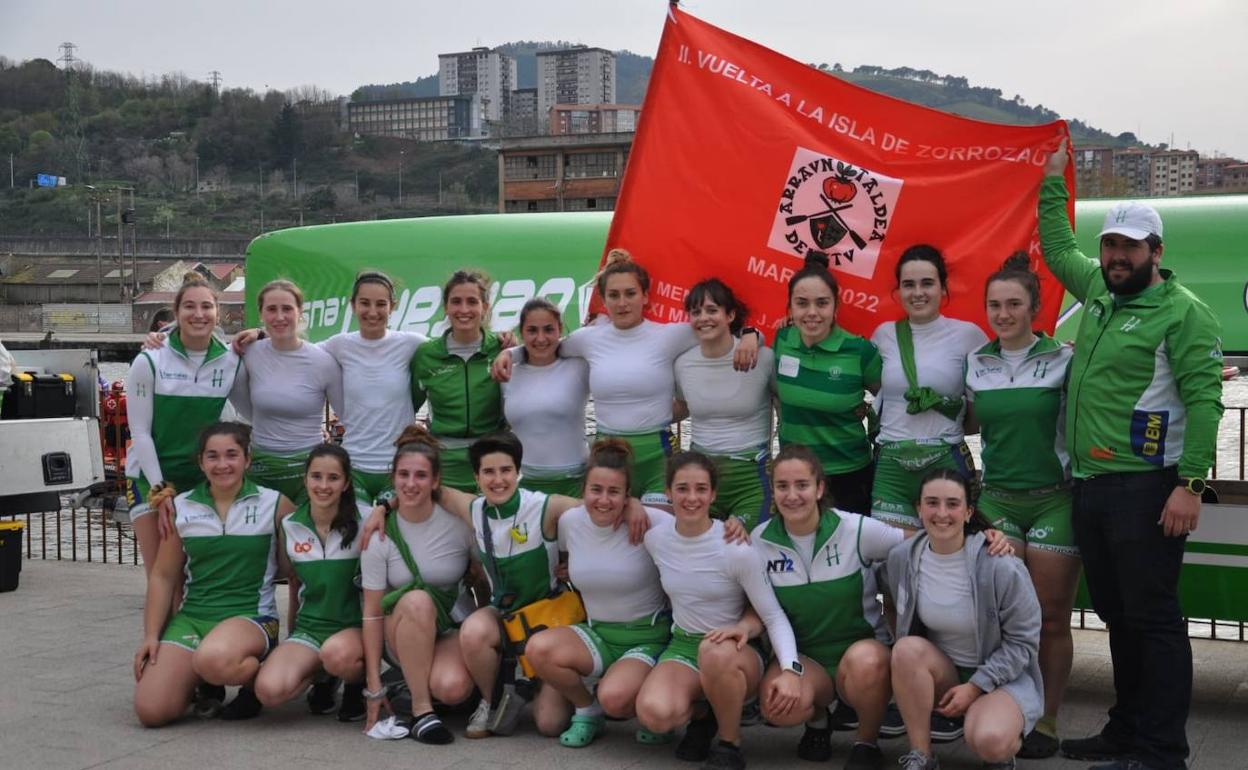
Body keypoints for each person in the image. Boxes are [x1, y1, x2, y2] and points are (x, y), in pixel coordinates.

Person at [1040, 140, 1224, 770]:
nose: (1117, 256)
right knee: (1118, 616)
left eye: (1131, 247)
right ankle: (1125, 728)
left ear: (1156, 252)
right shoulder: (1095, 286)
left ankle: (1162, 748)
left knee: (1155, 621)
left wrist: (1191, 485)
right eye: (1112, 245)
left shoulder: (1184, 313)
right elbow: (1057, 246)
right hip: (1091, 486)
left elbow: (1206, 404)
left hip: (1148, 488)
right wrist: (1051, 181)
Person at [493, 249, 757, 505]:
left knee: (656, 531)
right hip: (610, 458)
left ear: (645, 296)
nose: (622, 302)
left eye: (630, 293)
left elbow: (718, 327)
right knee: (615, 537)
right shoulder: (588, 339)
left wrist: (752, 335)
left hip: (657, 456)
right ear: (603, 300)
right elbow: (546, 345)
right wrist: (510, 355)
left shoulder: (669, 335)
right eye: (614, 295)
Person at [454, 431, 648, 739]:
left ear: (518, 472)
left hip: (547, 620)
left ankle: (548, 682)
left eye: (505, 470)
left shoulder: (545, 506)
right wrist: (384, 508)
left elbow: (599, 504)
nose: (498, 480)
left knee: (550, 724)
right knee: (473, 630)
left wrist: (633, 502)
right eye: (488, 472)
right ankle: (489, 702)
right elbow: (433, 491)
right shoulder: (474, 509)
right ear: (476, 477)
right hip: (504, 616)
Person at [965, 252, 1078, 759]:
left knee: (1052, 616)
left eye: (1014, 304)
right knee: (1004, 616)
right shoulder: (975, 361)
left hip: (1054, 501)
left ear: (1034, 307)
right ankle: (1007, 706)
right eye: (995, 305)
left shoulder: (1064, 358)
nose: (1004, 313)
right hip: (998, 502)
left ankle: (1048, 720)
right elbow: (962, 420)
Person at [635, 451, 800, 770]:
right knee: (655, 715)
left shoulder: (736, 547)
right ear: (668, 493)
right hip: (683, 644)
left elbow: (772, 615)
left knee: (714, 653)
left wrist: (790, 668)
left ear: (713, 494)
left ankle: (729, 742)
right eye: (682, 489)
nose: (691, 497)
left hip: (734, 649)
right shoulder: (655, 539)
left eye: (700, 489)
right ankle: (706, 712)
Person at [132, 422, 295, 727]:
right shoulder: (182, 507)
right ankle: (201, 681)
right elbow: (163, 576)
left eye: (232, 455)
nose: (223, 465)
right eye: (213, 456)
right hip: (194, 617)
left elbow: (295, 567)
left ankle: (256, 677)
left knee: (213, 660)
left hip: (251, 618)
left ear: (247, 459)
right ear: (201, 462)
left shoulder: (275, 504)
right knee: (151, 711)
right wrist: (152, 636)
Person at [750, 445, 902, 770]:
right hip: (805, 658)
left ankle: (866, 742)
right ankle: (818, 722)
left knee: (868, 662)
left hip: (859, 654)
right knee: (777, 706)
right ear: (772, 491)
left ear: (819, 488)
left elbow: (919, 539)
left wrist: (979, 536)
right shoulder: (759, 541)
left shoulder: (856, 530)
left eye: (802, 485)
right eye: (782, 486)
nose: (792, 495)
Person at [885, 469, 1042, 770]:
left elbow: (1024, 643)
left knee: (989, 741)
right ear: (918, 508)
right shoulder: (902, 558)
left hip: (1000, 679)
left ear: (969, 512)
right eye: (932, 503)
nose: (941, 513)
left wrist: (977, 686)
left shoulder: (1001, 566)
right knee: (905, 649)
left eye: (952, 504)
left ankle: (1001, 748)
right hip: (945, 673)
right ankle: (921, 755)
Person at [523, 440, 672, 748]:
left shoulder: (650, 522)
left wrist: (734, 532)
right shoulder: (570, 522)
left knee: (615, 699)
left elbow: (698, 530)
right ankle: (586, 708)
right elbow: (558, 551)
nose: (603, 500)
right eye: (596, 490)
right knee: (538, 649)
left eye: (614, 492)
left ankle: (654, 703)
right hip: (598, 633)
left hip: (646, 636)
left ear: (627, 495)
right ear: (584, 490)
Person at [360, 426, 477, 744]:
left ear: (436, 481)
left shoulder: (458, 523)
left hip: (449, 625)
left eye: (421, 476)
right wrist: (373, 686)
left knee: (453, 689)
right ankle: (422, 711)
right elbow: (371, 613)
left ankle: (409, 686)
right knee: (416, 600)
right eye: (404, 475)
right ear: (393, 479)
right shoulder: (379, 532)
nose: (411, 484)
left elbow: (483, 575)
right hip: (401, 629)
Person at [126, 277, 245, 573]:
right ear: (176, 313)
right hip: (151, 475)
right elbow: (139, 432)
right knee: (161, 574)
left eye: (207, 306)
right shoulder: (149, 359)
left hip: (200, 479)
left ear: (218, 313)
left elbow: (251, 417)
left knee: (197, 574)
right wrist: (159, 489)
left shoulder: (232, 361)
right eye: (189, 306)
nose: (199, 314)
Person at [870, 245, 988, 531]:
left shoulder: (969, 335)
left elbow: (980, 413)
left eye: (927, 283)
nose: (918, 292)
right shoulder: (882, 335)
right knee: (893, 567)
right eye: (908, 285)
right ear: (898, 290)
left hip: (945, 462)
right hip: (892, 469)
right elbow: (874, 390)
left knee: (947, 563)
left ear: (943, 287)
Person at [252, 444, 369, 722]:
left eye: (333, 478)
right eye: (316, 477)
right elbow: (294, 585)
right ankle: (323, 678)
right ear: (305, 479)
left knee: (337, 655)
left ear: (347, 482)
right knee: (269, 691)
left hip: (353, 630)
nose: (324, 486)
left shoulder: (367, 520)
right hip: (311, 630)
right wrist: (292, 636)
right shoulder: (290, 524)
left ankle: (356, 684)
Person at [772, 253, 882, 514]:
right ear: (790, 309)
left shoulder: (860, 351)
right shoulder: (782, 340)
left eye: (822, 303)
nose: (812, 313)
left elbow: (888, 401)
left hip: (849, 475)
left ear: (836, 307)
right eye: (802, 303)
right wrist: (749, 335)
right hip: (795, 477)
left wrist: (867, 415)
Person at [674, 278, 776, 529]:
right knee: (705, 556)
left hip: (752, 477)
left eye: (712, 310)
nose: (703, 318)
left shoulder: (763, 357)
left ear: (730, 315)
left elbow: (785, 409)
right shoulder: (682, 364)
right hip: (700, 478)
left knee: (743, 550)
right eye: (696, 312)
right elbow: (681, 408)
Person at [230, 280, 344, 503]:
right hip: (262, 466)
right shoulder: (247, 352)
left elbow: (349, 417)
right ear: (261, 314)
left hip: (308, 470)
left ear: (300, 312)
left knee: (305, 537)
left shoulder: (323, 361)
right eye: (271, 309)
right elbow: (202, 351)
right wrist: (161, 341)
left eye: (287, 309)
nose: (279, 317)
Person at [410, 270, 506, 493]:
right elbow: (407, 407)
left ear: (485, 306)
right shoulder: (427, 355)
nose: (464, 310)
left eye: (472, 301)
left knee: (493, 527)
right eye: (456, 302)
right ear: (446, 307)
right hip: (445, 463)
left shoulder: (502, 348)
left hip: (492, 460)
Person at [501, 298, 590, 498]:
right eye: (532, 330)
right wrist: (511, 353)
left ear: (560, 330)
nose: (541, 339)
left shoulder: (580, 366)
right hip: (525, 486)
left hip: (575, 483)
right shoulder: (506, 373)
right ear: (521, 332)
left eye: (549, 330)